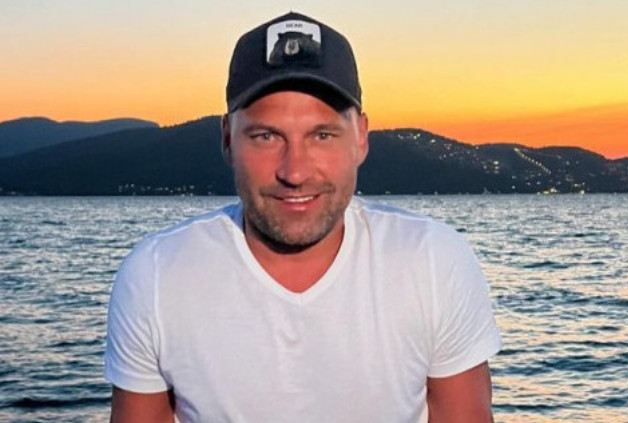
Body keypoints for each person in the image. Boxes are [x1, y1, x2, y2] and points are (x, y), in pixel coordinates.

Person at [105, 11, 502, 423]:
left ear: (361, 137)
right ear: (227, 140)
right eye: (266, 136)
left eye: (322, 135)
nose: (294, 172)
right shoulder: (158, 277)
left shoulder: (431, 263)